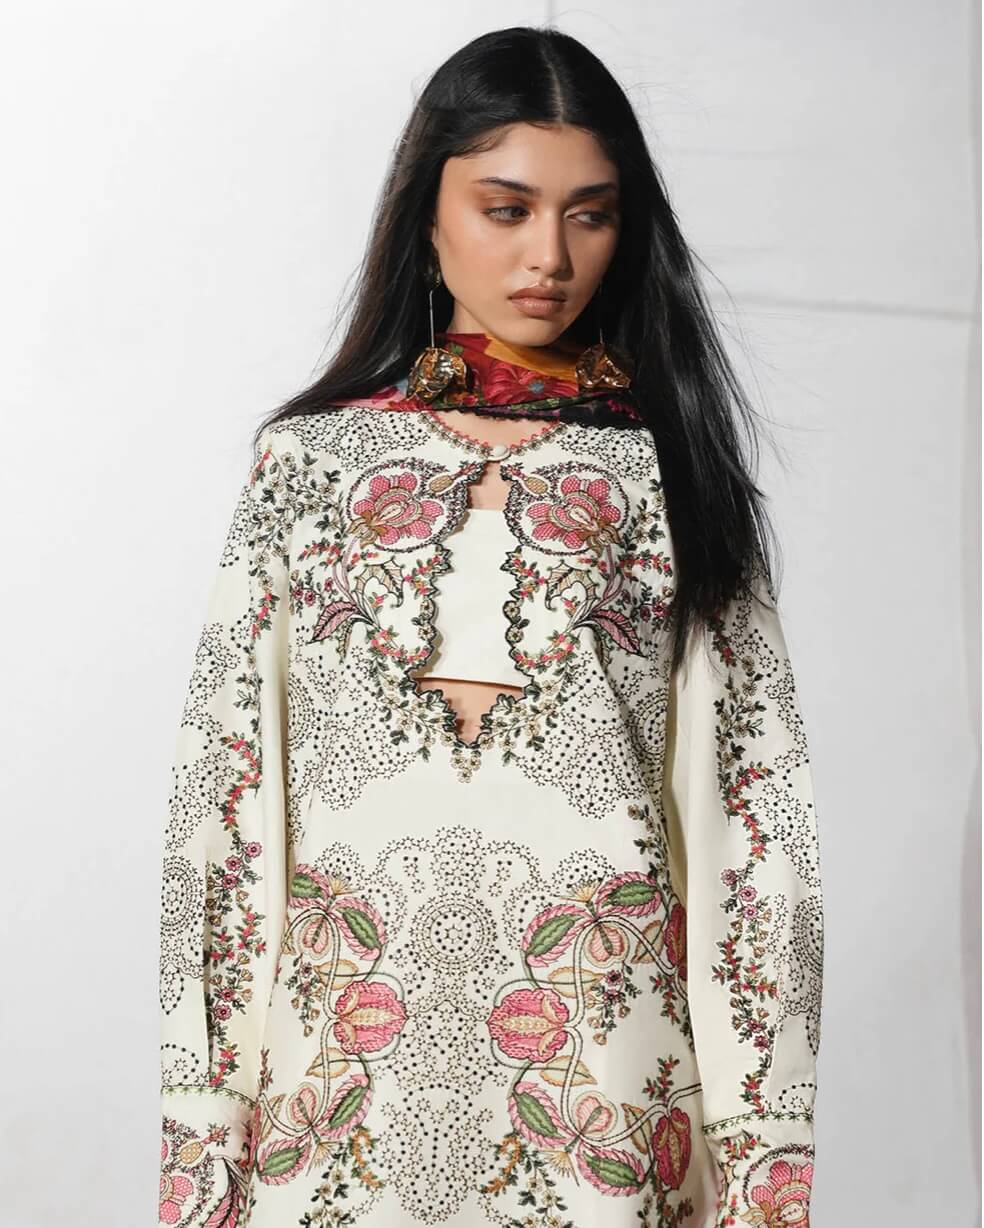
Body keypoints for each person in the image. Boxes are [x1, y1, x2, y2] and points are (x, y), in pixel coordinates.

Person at [158, 25, 824, 1228]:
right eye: (506, 209)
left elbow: (757, 838)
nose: (549, 258)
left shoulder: (673, 478)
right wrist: (208, 1138)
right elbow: (225, 810)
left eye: (590, 215)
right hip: (339, 1099)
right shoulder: (309, 467)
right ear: (427, 211)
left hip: (607, 1100)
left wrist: (760, 1165)